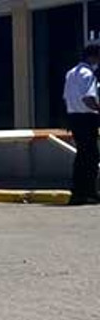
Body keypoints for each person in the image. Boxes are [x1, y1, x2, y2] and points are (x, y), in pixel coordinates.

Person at [63, 44, 100, 205]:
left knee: (82, 156)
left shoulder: (70, 73)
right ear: (92, 57)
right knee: (91, 157)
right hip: (87, 119)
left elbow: (66, 97)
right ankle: (88, 191)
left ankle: (78, 192)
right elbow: (88, 98)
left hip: (74, 118)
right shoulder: (88, 74)